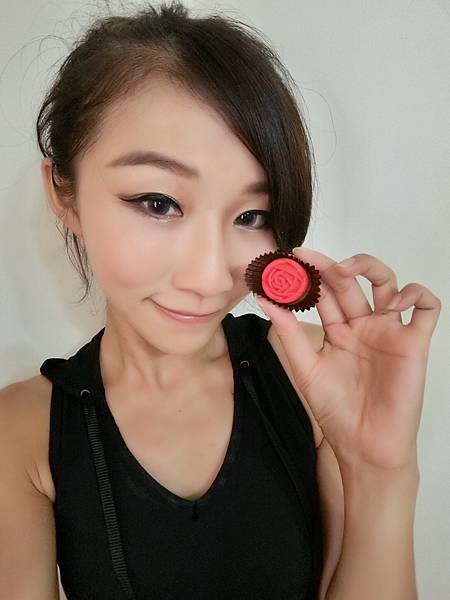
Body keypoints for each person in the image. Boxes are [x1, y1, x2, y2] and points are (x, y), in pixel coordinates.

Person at [0, 2, 441, 599]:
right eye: (158, 203)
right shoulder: (20, 432)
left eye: (252, 215)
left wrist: (381, 472)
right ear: (65, 193)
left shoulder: (317, 377)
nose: (210, 278)